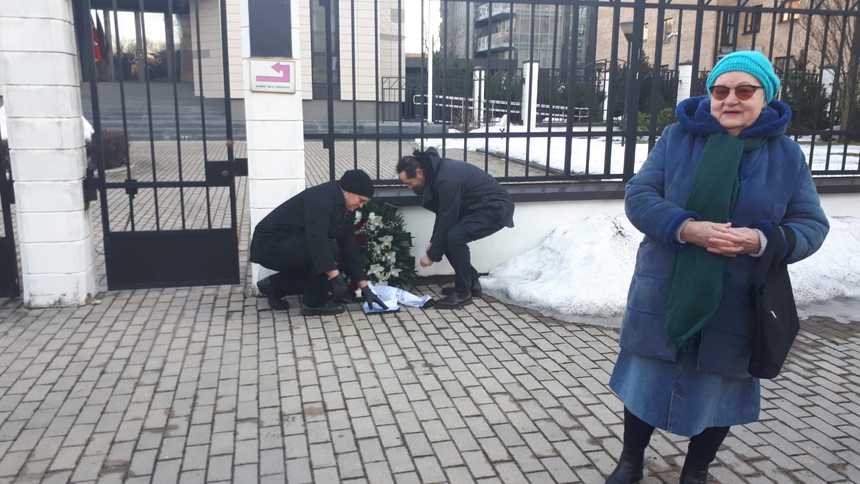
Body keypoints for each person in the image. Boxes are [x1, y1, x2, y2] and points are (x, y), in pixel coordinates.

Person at [606, 50, 829, 484]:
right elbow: (639, 195)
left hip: (738, 298)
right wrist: (686, 228)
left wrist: (759, 240)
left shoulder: (786, 156)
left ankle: (696, 470)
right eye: (720, 90)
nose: (730, 99)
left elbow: (811, 225)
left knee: (720, 390)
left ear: (766, 96)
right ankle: (631, 460)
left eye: (745, 90)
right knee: (647, 380)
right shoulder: (677, 138)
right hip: (667, 289)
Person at [250, 169, 388, 316]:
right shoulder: (321, 198)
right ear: (348, 192)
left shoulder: (345, 205)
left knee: (330, 255)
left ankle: (273, 286)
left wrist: (364, 286)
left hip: (290, 242)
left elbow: (348, 244)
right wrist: (334, 277)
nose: (361, 206)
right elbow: (317, 239)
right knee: (328, 251)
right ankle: (313, 304)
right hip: (269, 245)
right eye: (361, 200)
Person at [397, 148, 515, 309]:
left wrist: (432, 254)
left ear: (419, 172)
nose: (409, 187)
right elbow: (443, 214)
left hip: (495, 208)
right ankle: (471, 282)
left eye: (409, 183)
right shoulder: (436, 173)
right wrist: (434, 242)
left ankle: (462, 293)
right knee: (448, 237)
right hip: (478, 207)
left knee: (455, 237)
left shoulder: (445, 179)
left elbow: (447, 217)